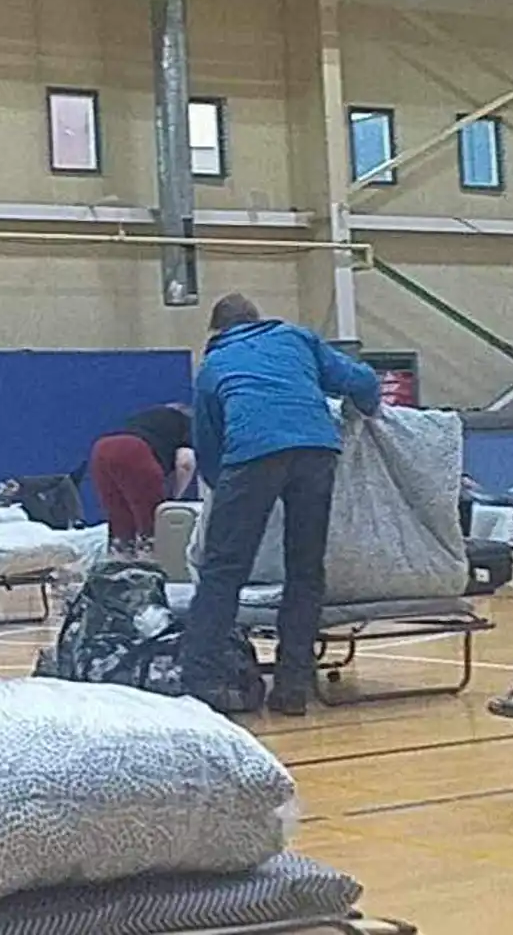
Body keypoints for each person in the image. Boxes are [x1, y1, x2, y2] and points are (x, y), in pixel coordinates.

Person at [182, 294, 380, 717]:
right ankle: (293, 686)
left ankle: (201, 686)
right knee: (305, 570)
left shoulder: (212, 367)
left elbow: (208, 445)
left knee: (222, 572)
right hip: (316, 450)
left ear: (218, 331)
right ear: (256, 319)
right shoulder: (296, 339)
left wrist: (227, 493)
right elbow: (361, 381)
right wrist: (370, 409)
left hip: (251, 453)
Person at [88, 404, 197, 556]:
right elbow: (186, 462)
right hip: (134, 451)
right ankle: (151, 566)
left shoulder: (145, 418)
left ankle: (117, 565)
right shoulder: (187, 423)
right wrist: (174, 499)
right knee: (150, 524)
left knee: (120, 520)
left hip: (102, 448)